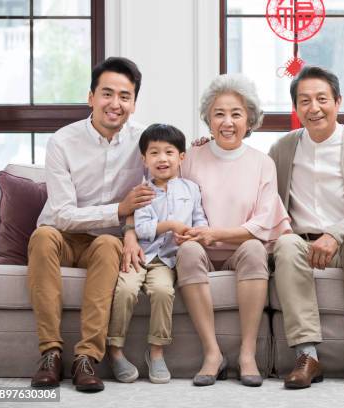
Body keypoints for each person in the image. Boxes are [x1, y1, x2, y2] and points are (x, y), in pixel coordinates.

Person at [28, 57, 154, 392]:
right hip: (62, 236)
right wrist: (119, 210)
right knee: (42, 237)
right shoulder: (62, 141)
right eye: (107, 94)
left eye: (124, 96)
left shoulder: (143, 141)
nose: (115, 104)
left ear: (134, 103)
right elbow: (64, 214)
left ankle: (87, 358)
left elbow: (161, 184)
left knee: (109, 244)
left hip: (105, 243)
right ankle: (50, 354)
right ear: (90, 98)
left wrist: (129, 230)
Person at [270, 66, 344, 390]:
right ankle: (307, 356)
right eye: (304, 101)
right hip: (301, 243)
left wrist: (335, 234)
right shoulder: (282, 149)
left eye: (322, 98)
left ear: (338, 101)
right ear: (296, 108)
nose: (314, 107)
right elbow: (263, 193)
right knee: (286, 245)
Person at [177, 74, 291, 387]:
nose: (227, 122)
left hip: (240, 250)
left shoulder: (262, 163)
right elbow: (174, 203)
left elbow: (263, 223)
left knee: (255, 248)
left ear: (249, 119)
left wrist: (218, 235)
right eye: (219, 114)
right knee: (186, 251)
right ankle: (212, 353)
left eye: (236, 114)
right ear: (208, 119)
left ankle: (247, 354)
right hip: (199, 249)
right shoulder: (190, 157)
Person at [106, 124, 208, 384]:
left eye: (169, 152)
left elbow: (200, 219)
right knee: (126, 290)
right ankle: (115, 350)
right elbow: (141, 228)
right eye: (154, 153)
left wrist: (196, 234)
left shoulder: (192, 189)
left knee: (164, 292)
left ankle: (156, 352)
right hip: (140, 256)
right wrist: (171, 226)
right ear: (144, 159)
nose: (162, 159)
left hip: (167, 262)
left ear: (181, 157)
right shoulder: (142, 192)